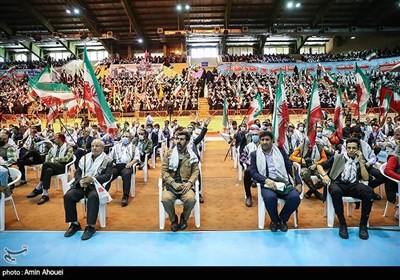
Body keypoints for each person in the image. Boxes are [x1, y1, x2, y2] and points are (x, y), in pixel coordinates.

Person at [318, 138, 374, 240]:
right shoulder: (338, 157)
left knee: (369, 192)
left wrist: (361, 162)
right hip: (338, 183)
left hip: (353, 185)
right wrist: (324, 175)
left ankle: (363, 225)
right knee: (335, 192)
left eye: (354, 148)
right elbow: (320, 166)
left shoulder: (360, 160)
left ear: (358, 149)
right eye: (349, 148)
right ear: (346, 148)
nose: (351, 150)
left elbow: (365, 178)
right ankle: (342, 223)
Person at [250, 131, 302, 232]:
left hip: (283, 182)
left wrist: (299, 183)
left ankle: (282, 219)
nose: (264, 142)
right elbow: (253, 172)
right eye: (262, 140)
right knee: (270, 198)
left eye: (267, 140)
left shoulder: (280, 151)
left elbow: (290, 167)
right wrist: (266, 180)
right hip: (267, 184)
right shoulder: (255, 154)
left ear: (272, 141)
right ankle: (274, 221)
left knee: (295, 198)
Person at [63, 139, 113, 240]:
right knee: (68, 196)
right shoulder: (84, 158)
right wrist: (80, 180)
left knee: (93, 197)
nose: (94, 148)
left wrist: (92, 179)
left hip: (96, 186)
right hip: (82, 185)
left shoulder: (108, 160)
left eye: (97, 146)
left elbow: (107, 176)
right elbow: (78, 172)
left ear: (103, 148)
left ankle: (90, 226)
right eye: (93, 145)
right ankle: (74, 224)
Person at [161, 130, 199, 232]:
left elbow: (196, 171)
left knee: (191, 200)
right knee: (166, 199)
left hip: (185, 185)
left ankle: (184, 218)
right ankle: (173, 220)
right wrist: (172, 183)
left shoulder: (192, 155)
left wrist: (190, 183)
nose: (178, 141)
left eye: (181, 139)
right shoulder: (168, 154)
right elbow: (164, 172)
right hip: (171, 185)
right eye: (177, 138)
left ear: (187, 141)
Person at [26, 133, 73, 205]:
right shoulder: (52, 148)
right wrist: (52, 161)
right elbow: (48, 158)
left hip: (62, 167)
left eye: (55, 138)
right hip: (52, 167)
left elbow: (66, 159)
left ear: (60, 139)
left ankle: (39, 187)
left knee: (46, 164)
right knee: (48, 170)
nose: (53, 140)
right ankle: (45, 194)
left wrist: (54, 159)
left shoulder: (68, 148)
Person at [109, 132, 139, 206]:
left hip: (127, 166)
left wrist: (131, 163)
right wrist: (111, 162)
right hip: (116, 165)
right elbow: (109, 157)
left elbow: (137, 158)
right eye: (123, 136)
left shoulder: (134, 147)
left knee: (126, 175)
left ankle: (125, 197)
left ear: (130, 138)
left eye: (127, 136)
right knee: (108, 175)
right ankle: (103, 194)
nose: (125, 138)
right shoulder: (116, 147)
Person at [383, 128, 400, 221]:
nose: (399, 137)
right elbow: (387, 171)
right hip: (396, 183)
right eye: (397, 135)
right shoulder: (395, 155)